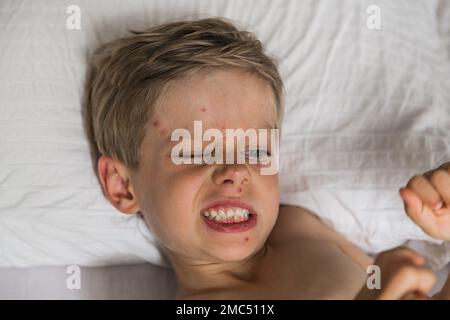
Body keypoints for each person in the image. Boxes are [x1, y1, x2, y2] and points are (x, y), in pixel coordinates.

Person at [83, 16, 448, 299]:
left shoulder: (299, 227)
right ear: (122, 186)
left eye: (257, 150)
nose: (237, 170)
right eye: (194, 150)